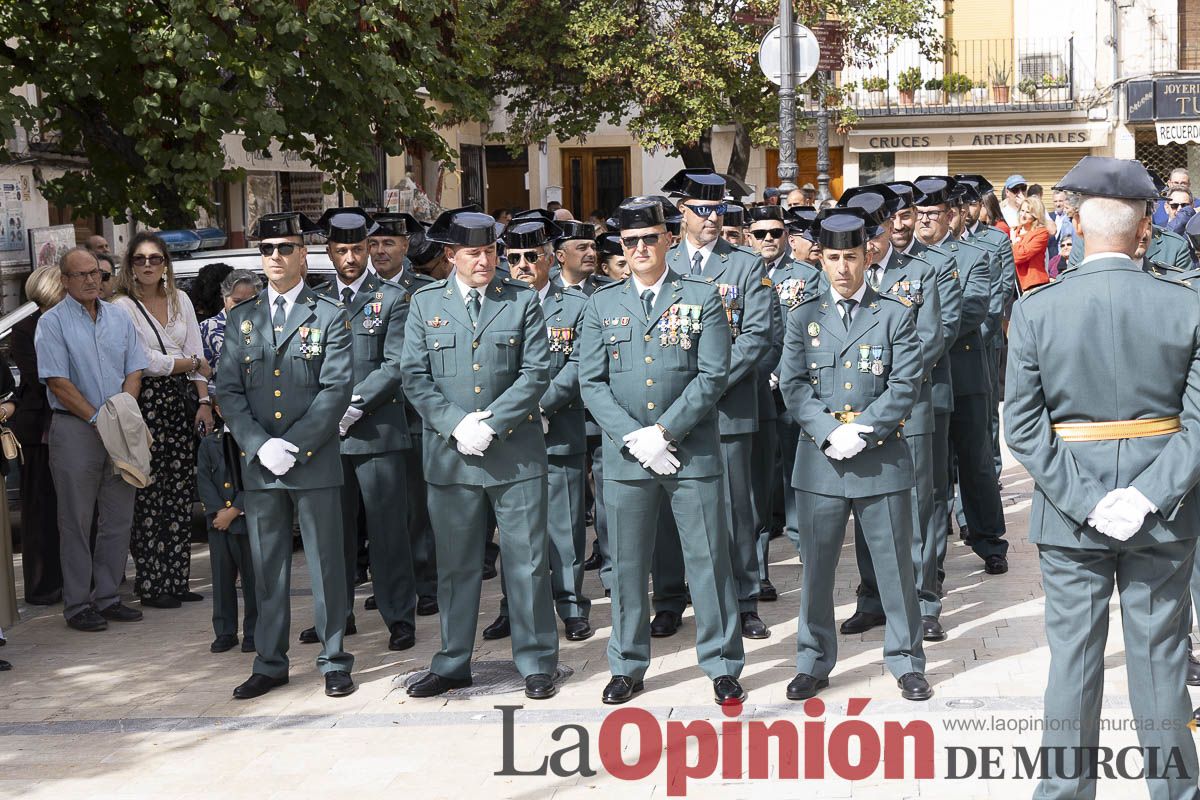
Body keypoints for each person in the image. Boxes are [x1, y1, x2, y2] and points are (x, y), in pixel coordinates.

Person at [1005, 155, 1200, 800]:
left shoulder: (1037, 310)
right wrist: (1146, 495)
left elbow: (1023, 427)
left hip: (1071, 516)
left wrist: (1089, 501)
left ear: (1079, 226)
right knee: (1161, 663)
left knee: (1074, 663)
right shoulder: (1186, 306)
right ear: (1145, 227)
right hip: (1163, 514)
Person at [578, 197, 746, 705]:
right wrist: (635, 438)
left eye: (650, 238)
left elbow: (713, 373)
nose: (640, 248)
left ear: (668, 240)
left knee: (708, 561)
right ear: (621, 247)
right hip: (627, 457)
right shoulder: (601, 303)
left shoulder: (701, 296)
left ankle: (722, 663)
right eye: (630, 242)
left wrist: (665, 432)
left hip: (690, 454)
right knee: (627, 567)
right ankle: (626, 665)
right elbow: (591, 382)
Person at [400, 206, 560, 701]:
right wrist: (455, 425)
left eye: (491, 251)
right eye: (474, 253)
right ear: (451, 256)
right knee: (456, 567)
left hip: (514, 454)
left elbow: (536, 372)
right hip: (453, 457)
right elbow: (414, 376)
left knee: (527, 563)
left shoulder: (520, 300)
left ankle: (536, 660)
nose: (485, 261)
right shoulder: (425, 304)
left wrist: (490, 423)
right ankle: (453, 662)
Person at [778, 207, 930, 702]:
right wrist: (828, 432)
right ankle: (812, 661)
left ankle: (907, 660)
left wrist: (864, 430)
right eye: (833, 258)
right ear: (820, 260)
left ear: (867, 256)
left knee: (895, 567)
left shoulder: (894, 314)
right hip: (820, 461)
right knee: (816, 570)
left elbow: (905, 384)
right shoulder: (803, 316)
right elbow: (793, 385)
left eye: (851, 257)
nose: (842, 268)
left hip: (878, 458)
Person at [216, 211, 356, 700]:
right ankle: (270, 662)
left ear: (303, 255)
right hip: (263, 465)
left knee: (325, 564)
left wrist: (294, 444)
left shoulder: (329, 313)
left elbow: (336, 388)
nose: (275, 256)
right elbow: (228, 390)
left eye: (285, 247)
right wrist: (259, 444)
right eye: (267, 249)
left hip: (312, 460)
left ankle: (334, 659)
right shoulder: (243, 317)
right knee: (267, 568)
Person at [652, 169, 774, 640]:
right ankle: (669, 599)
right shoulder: (664, 261)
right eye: (702, 210)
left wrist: (708, 383)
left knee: (735, 508)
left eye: (719, 209)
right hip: (669, 408)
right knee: (668, 507)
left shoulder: (745, 265)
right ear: (681, 212)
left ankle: (744, 600)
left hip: (727, 407)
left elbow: (756, 336)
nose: (712, 218)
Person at [839, 186, 949, 643]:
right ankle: (872, 598)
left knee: (916, 507)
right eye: (861, 235)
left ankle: (924, 601)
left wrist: (890, 388)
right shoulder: (844, 275)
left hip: (909, 407)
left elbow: (930, 339)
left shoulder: (920, 273)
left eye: (875, 232)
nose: (870, 242)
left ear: (889, 226)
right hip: (859, 412)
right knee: (867, 503)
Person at [312, 207, 418, 653]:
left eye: (358, 249)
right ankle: (336, 616)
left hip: (377, 433)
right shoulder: (315, 300)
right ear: (330, 252)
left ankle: (399, 616)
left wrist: (353, 404)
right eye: (342, 250)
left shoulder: (392, 298)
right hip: (326, 437)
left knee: (388, 533)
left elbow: (396, 363)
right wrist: (325, 413)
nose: (352, 258)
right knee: (332, 534)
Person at [486, 213, 593, 643]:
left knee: (564, 529)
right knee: (515, 531)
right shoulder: (498, 302)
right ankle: (514, 607)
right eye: (513, 258)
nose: (523, 266)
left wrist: (538, 404)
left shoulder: (577, 305)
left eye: (532, 256)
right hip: (510, 437)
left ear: (551, 258)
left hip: (558, 432)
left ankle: (571, 606)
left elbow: (579, 365)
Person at [37, 247, 148, 631]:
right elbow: (57, 382)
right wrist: (100, 418)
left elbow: (135, 370)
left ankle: (109, 596)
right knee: (76, 521)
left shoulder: (119, 317)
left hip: (119, 428)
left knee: (118, 517)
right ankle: (78, 604)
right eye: (81, 274)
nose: (90, 280)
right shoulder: (51, 323)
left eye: (95, 273)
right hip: (75, 430)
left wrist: (122, 412)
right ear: (64, 280)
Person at [112, 233, 212, 609]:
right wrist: (190, 363)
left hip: (181, 402)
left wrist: (204, 400)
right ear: (130, 266)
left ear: (166, 264)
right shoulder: (122, 306)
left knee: (180, 492)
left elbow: (197, 350)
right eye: (140, 259)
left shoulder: (180, 299)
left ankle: (177, 578)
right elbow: (145, 361)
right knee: (149, 493)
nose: (148, 265)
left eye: (155, 258)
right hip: (145, 403)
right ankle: (153, 583)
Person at [11, 266, 65, 606]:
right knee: (39, 510)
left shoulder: (69, 321)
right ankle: (43, 586)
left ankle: (73, 580)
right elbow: (40, 377)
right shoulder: (25, 328)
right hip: (38, 431)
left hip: (66, 423)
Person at [196, 393, 257, 654]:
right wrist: (219, 512)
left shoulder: (251, 438)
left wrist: (235, 510)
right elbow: (204, 480)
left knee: (252, 579)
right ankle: (225, 631)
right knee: (221, 579)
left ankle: (254, 631)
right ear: (218, 410)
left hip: (245, 520)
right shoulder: (209, 443)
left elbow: (254, 478)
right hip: (219, 523)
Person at [200, 270, 262, 374]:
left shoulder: (267, 327)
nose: (243, 307)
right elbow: (201, 376)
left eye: (249, 302)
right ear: (224, 298)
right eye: (237, 301)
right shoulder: (207, 329)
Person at [1012, 196, 1051, 291]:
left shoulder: (1041, 233)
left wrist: (1014, 241)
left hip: (1034, 285)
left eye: (1028, 212)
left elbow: (1019, 256)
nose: (1023, 215)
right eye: (1022, 210)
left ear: (1036, 215)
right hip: (1015, 285)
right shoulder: (1014, 230)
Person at [368, 212, 421, 280]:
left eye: (388, 244)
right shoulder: (361, 286)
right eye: (373, 244)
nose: (379, 251)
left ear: (405, 247)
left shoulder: (423, 286)